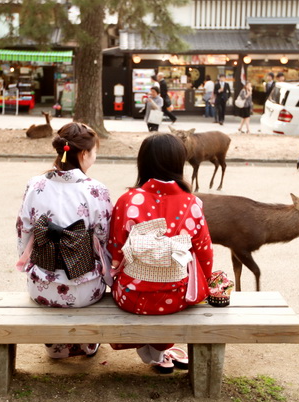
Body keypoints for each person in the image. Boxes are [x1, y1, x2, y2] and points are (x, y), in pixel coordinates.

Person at [107, 133, 213, 373]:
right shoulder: (192, 203)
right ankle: (160, 349)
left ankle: (155, 351)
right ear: (180, 163)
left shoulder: (128, 200)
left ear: (142, 163)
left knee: (127, 278)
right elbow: (204, 253)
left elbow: (114, 249)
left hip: (131, 298)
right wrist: (203, 283)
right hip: (177, 297)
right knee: (190, 273)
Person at [16, 122, 113, 359]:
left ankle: (56, 347)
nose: (95, 156)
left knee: (46, 283)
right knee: (94, 270)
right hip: (84, 289)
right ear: (83, 154)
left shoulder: (36, 184)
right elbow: (105, 237)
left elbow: (23, 229)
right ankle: (87, 344)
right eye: (94, 152)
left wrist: (28, 262)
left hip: (42, 286)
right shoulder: (96, 190)